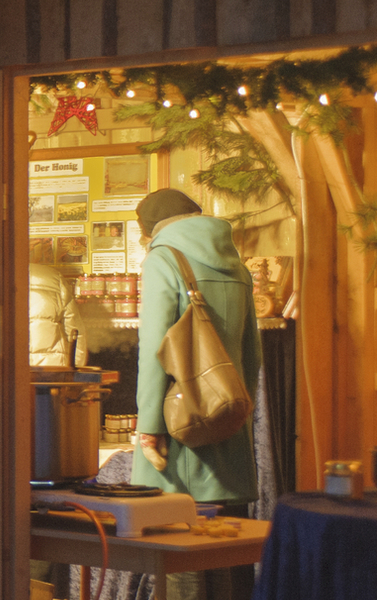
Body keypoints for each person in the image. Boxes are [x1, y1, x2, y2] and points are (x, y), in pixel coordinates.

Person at [130, 189, 260, 600]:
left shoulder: (163, 259)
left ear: (148, 230)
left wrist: (149, 426)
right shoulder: (237, 263)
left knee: (179, 561)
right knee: (230, 560)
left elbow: (155, 350)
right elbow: (251, 353)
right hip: (230, 427)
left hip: (180, 428)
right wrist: (235, 413)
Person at [27, 262, 85, 367]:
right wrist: (76, 368)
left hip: (3, 371)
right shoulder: (53, 277)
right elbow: (74, 330)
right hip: (51, 368)